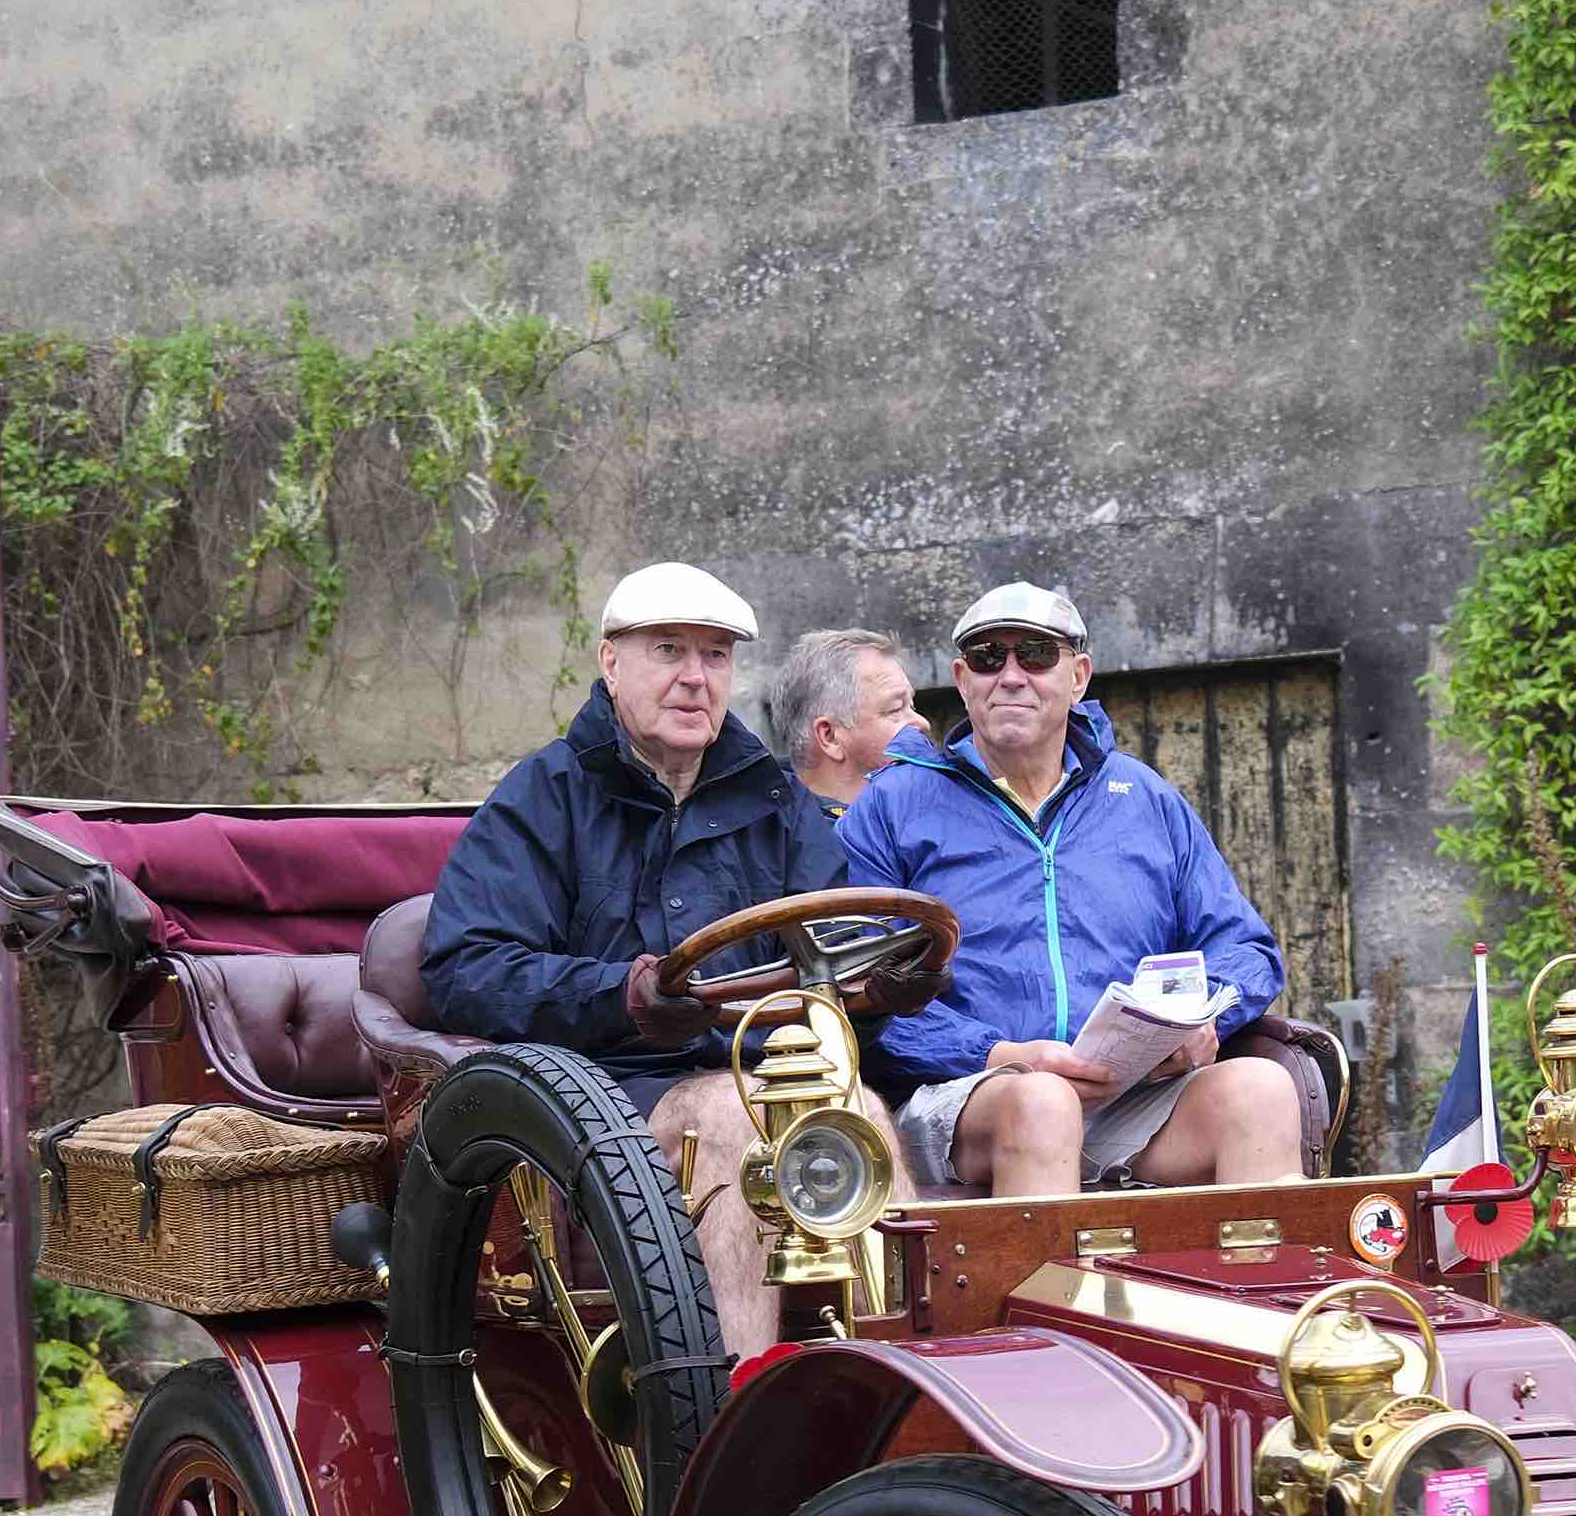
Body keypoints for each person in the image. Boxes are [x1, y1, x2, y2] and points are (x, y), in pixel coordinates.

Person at [420, 561, 838, 1350]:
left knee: (867, 1117)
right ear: (611, 662)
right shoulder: (542, 797)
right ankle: (733, 1438)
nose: (694, 678)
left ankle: (915, 1429)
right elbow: (465, 968)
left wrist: (889, 974)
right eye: (669, 650)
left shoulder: (778, 802)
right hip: (605, 1095)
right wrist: (625, 995)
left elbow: (836, 937)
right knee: (721, 1119)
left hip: (768, 1076)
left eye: (715, 656)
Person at [839, 582, 1306, 1200]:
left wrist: (1203, 1018)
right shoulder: (891, 806)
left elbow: (1245, 948)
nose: (1010, 675)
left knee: (1263, 1090)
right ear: (961, 679)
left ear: (1078, 675)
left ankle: (1259, 1297)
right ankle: (1043, 1300)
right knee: (1043, 1102)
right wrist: (999, 1053)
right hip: (969, 1097)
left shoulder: (1144, 799)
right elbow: (853, 995)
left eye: (1035, 655)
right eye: (987, 658)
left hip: (1132, 1093)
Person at [761, 626, 921, 813]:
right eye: (895, 709)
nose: (922, 723)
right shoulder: (772, 837)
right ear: (830, 736)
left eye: (912, 707)